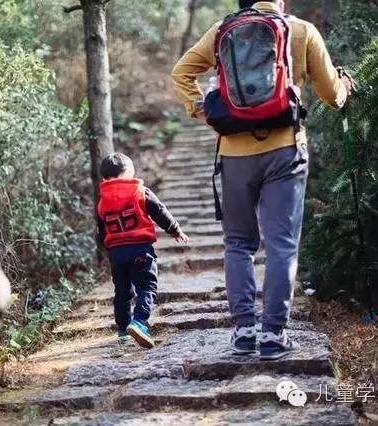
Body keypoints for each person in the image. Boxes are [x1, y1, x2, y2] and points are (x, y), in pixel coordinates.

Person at [172, 0, 352, 360]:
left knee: (237, 242)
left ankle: (243, 332)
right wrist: (346, 87)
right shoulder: (300, 30)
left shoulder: (223, 30)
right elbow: (332, 95)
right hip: (285, 151)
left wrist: (206, 112)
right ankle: (273, 334)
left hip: (234, 154)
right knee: (281, 243)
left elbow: (181, 73)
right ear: (280, 1)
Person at [97, 153, 189, 348]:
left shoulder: (102, 201)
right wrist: (174, 229)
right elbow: (159, 210)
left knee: (122, 292)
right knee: (147, 287)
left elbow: (101, 229)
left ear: (104, 179)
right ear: (129, 172)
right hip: (139, 248)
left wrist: (108, 250)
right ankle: (139, 322)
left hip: (116, 252)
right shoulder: (139, 191)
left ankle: (122, 330)